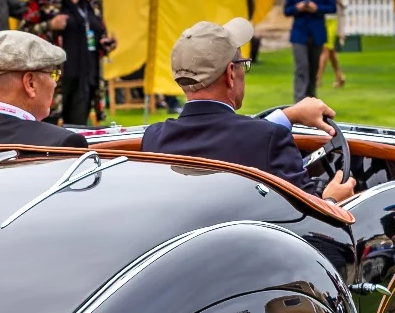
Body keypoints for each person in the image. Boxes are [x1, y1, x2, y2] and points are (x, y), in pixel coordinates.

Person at [140, 16, 355, 208]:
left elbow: (229, 136)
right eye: (243, 64)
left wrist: (287, 116)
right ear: (231, 74)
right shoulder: (268, 140)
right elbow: (309, 227)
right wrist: (332, 201)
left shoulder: (154, 139)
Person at [23, 0, 112, 126]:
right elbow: (24, 31)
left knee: (77, 131)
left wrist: (106, 43)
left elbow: (99, 32)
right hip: (55, 79)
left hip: (86, 77)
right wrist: (49, 26)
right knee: (48, 131)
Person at [282, 0, 336, 101]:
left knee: (313, 70)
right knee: (301, 68)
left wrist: (317, 8)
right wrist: (297, 8)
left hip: (317, 32)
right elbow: (286, 10)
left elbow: (332, 7)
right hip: (299, 33)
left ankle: (311, 102)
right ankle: (298, 103)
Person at [316, 0, 349, 88]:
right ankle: (340, 76)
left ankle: (317, 78)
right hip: (322, 19)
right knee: (330, 51)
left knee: (325, 49)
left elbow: (344, 5)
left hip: (333, 19)